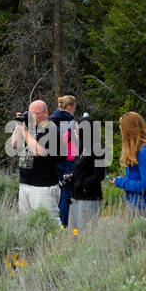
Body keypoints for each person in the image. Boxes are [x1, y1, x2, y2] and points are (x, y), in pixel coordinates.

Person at [12, 100, 60, 216]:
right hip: (25, 184)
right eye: (30, 113)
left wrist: (25, 132)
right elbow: (14, 144)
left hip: (43, 188)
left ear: (45, 113)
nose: (31, 116)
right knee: (26, 225)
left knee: (48, 224)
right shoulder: (29, 129)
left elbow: (39, 151)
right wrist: (18, 126)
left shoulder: (51, 129)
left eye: (35, 113)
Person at [110, 111, 146, 217]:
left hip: (141, 205)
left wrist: (122, 182)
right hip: (139, 203)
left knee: (137, 233)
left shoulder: (145, 152)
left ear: (130, 131)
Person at [67, 110, 105, 230]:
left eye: (77, 129)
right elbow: (81, 171)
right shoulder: (80, 148)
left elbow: (99, 175)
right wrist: (72, 177)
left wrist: (81, 183)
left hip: (89, 197)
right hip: (75, 196)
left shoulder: (97, 149)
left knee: (85, 233)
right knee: (73, 232)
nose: (75, 132)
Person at [51, 95, 79, 227]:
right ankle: (63, 223)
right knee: (66, 192)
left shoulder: (52, 119)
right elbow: (76, 142)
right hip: (69, 159)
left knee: (56, 190)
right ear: (70, 107)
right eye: (74, 108)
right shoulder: (72, 122)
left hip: (54, 159)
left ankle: (53, 221)